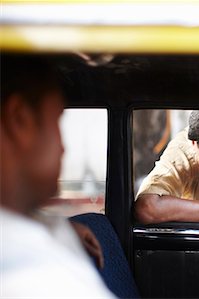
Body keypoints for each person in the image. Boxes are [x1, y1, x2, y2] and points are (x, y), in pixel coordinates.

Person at [0, 54, 115, 297]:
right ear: (20, 119)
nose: (63, 148)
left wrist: (61, 226)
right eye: (57, 122)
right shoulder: (37, 278)